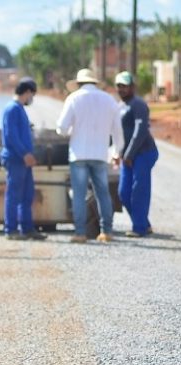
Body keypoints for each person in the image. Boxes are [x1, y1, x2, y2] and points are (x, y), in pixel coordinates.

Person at [56, 68, 124, 243]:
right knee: (102, 193)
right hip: (100, 154)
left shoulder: (73, 98)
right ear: (95, 83)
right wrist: (116, 152)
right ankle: (106, 231)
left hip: (78, 154)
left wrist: (72, 131)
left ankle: (80, 233)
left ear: (78, 83)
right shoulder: (109, 100)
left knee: (79, 195)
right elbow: (118, 131)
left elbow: (61, 128)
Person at [0, 77, 47, 240]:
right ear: (27, 92)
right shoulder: (12, 109)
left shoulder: (19, 109)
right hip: (16, 159)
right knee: (13, 195)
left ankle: (27, 228)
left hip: (23, 160)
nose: (31, 98)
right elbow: (10, 135)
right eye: (32, 95)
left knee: (27, 195)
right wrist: (24, 154)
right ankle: (11, 230)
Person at [114, 71, 159, 237]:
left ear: (132, 87)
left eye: (125, 86)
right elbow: (118, 133)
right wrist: (118, 152)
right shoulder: (120, 106)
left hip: (143, 153)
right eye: (119, 86)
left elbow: (140, 131)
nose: (122, 89)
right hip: (128, 156)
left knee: (139, 191)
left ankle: (139, 228)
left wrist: (129, 154)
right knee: (123, 193)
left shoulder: (138, 104)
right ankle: (144, 224)